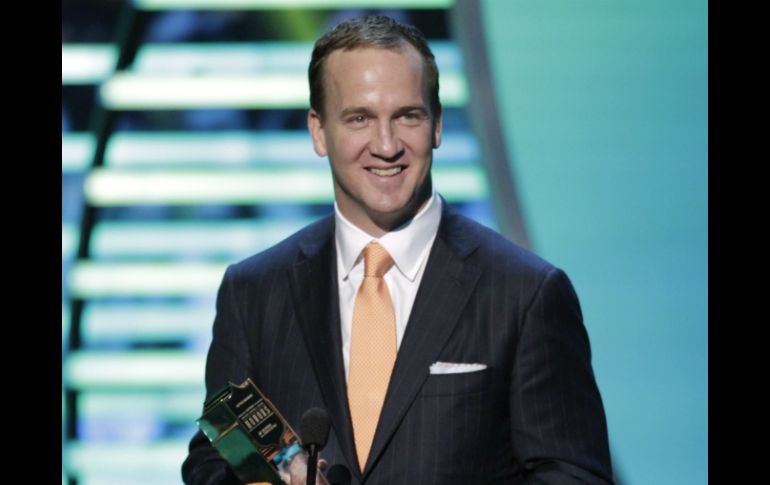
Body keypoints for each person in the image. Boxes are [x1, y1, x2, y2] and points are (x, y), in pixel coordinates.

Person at [182, 14, 614, 485]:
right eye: (359, 118)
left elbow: (573, 476)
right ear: (318, 131)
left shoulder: (525, 294)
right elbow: (214, 459)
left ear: (437, 125)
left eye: (408, 115)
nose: (386, 145)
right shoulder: (254, 292)